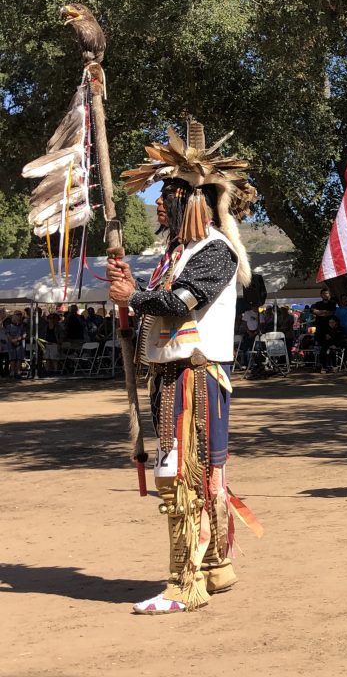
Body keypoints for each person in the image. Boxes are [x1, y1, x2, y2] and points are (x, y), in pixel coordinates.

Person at [108, 120, 259, 614]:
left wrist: (137, 297)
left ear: (190, 201)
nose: (156, 203)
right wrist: (131, 293)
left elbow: (182, 302)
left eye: (165, 194)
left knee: (184, 473)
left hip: (195, 374)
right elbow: (160, 300)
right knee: (197, 471)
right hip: (173, 372)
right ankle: (216, 565)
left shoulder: (215, 250)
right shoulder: (178, 252)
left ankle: (184, 582)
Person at [5, 310, 27, 378]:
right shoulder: (9, 326)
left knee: (19, 359)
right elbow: (7, 335)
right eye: (17, 314)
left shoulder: (23, 325)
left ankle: (18, 372)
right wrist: (13, 340)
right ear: (14, 316)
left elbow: (25, 334)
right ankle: (12, 372)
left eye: (20, 315)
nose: (19, 316)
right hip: (11, 344)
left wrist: (18, 339)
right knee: (12, 359)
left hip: (20, 344)